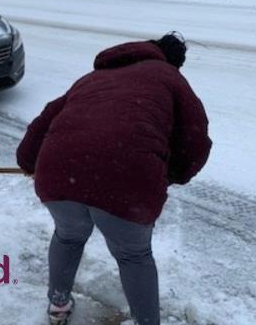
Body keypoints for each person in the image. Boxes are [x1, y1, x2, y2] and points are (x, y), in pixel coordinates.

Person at [16, 32, 212, 325]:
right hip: (128, 182)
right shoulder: (170, 77)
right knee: (134, 256)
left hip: (57, 171)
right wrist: (171, 175)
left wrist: (29, 160)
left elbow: (45, 118)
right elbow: (195, 139)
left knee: (68, 237)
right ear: (173, 62)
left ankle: (58, 305)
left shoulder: (92, 78)